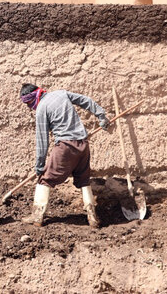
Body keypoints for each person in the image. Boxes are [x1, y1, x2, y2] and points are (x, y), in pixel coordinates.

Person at [19, 83, 110, 229]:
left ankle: (37, 216)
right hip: (83, 144)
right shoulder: (61, 93)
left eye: (29, 103)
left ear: (34, 97)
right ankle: (92, 217)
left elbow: (42, 140)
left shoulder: (42, 109)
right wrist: (101, 115)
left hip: (65, 147)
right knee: (84, 179)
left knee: (44, 179)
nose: (30, 107)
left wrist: (40, 165)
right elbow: (85, 100)